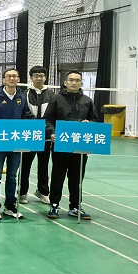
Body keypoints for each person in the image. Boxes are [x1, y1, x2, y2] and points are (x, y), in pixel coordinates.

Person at [45, 71, 97, 221]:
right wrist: (52, 133)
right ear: (65, 82)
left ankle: (75, 206)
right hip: (61, 146)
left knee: (77, 178)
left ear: (81, 83)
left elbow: (94, 119)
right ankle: (54, 205)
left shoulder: (87, 101)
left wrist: (90, 123)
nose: (74, 83)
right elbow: (48, 120)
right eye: (71, 80)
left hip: (80, 147)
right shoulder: (56, 99)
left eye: (77, 80)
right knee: (57, 176)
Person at [0, 68, 33, 220]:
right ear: (3, 79)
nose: (12, 78)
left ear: (18, 79)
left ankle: (10, 205)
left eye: (15, 76)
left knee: (12, 176)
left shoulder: (22, 96)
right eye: (9, 76)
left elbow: (26, 115)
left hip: (15, 142)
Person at [21, 66, 55, 204]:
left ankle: (43, 192)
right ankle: (22, 192)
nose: (39, 78)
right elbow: (24, 112)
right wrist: (35, 125)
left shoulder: (52, 95)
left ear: (45, 77)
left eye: (41, 75)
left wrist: (46, 129)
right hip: (29, 136)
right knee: (25, 165)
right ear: (31, 77)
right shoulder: (24, 94)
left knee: (44, 165)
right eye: (36, 75)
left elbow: (52, 114)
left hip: (46, 137)